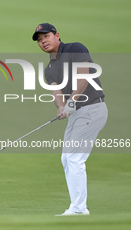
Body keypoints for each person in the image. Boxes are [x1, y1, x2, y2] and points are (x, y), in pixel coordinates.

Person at [32, 23, 108, 216]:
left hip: (92, 108)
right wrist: (61, 108)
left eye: (46, 36)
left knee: (74, 157)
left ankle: (79, 209)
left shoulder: (75, 48)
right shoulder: (49, 69)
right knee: (67, 158)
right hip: (77, 115)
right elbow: (57, 94)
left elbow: (85, 74)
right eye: (39, 40)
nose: (43, 42)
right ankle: (78, 207)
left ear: (57, 35)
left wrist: (72, 101)